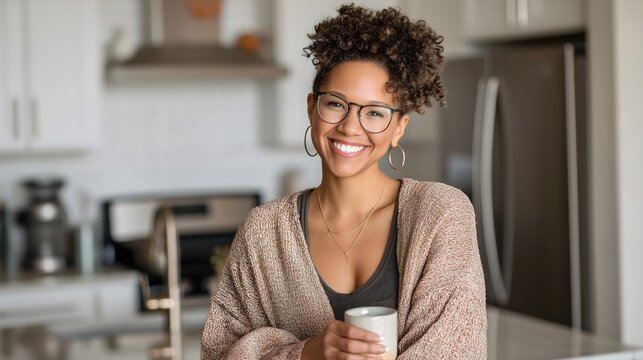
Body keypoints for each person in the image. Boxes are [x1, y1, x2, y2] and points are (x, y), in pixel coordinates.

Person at [201, 4, 486, 359]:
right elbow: (219, 353)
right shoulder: (263, 232)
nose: (351, 127)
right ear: (311, 108)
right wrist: (308, 354)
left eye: (375, 113)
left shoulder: (441, 215)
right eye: (336, 104)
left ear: (399, 128)